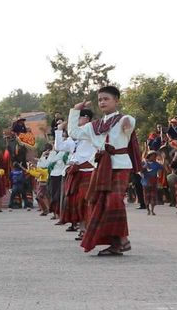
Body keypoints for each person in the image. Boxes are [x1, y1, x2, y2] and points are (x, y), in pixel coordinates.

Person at [69, 86, 141, 256]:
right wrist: (74, 111)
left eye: (106, 99)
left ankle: (122, 239)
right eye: (100, 99)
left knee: (114, 201)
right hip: (101, 166)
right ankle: (116, 244)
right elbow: (73, 132)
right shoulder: (95, 126)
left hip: (120, 164)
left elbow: (129, 124)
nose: (102, 102)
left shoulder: (125, 118)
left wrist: (126, 124)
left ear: (116, 100)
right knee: (98, 203)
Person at [55, 110, 96, 239]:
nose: (76, 121)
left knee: (87, 201)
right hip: (76, 172)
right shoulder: (74, 138)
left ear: (86, 118)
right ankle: (82, 229)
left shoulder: (92, 132)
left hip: (89, 171)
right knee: (76, 201)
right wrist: (59, 130)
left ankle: (90, 229)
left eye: (78, 118)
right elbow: (59, 146)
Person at [141, 151, 163, 216]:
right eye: (153, 156)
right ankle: (148, 209)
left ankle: (152, 210)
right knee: (146, 196)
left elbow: (160, 171)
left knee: (153, 196)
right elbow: (140, 171)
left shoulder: (157, 164)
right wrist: (145, 166)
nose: (154, 157)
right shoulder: (144, 163)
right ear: (149, 156)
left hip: (154, 180)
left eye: (155, 156)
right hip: (146, 180)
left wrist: (162, 158)